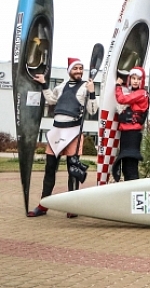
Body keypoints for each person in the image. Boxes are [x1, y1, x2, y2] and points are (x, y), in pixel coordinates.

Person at [27, 57, 98, 217]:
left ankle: (72, 207)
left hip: (73, 133)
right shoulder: (60, 87)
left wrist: (92, 92)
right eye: (76, 68)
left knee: (73, 171)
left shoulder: (86, 87)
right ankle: (43, 205)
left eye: (81, 68)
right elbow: (51, 99)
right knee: (49, 170)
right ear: (69, 71)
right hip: (56, 132)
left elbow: (93, 111)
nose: (79, 71)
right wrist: (45, 83)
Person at [112, 66, 150, 182]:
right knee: (125, 166)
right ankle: (128, 190)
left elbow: (122, 99)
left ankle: (134, 192)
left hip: (133, 134)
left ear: (142, 81)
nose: (135, 81)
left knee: (131, 166)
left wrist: (118, 86)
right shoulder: (133, 93)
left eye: (138, 79)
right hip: (125, 133)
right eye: (133, 78)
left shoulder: (142, 93)